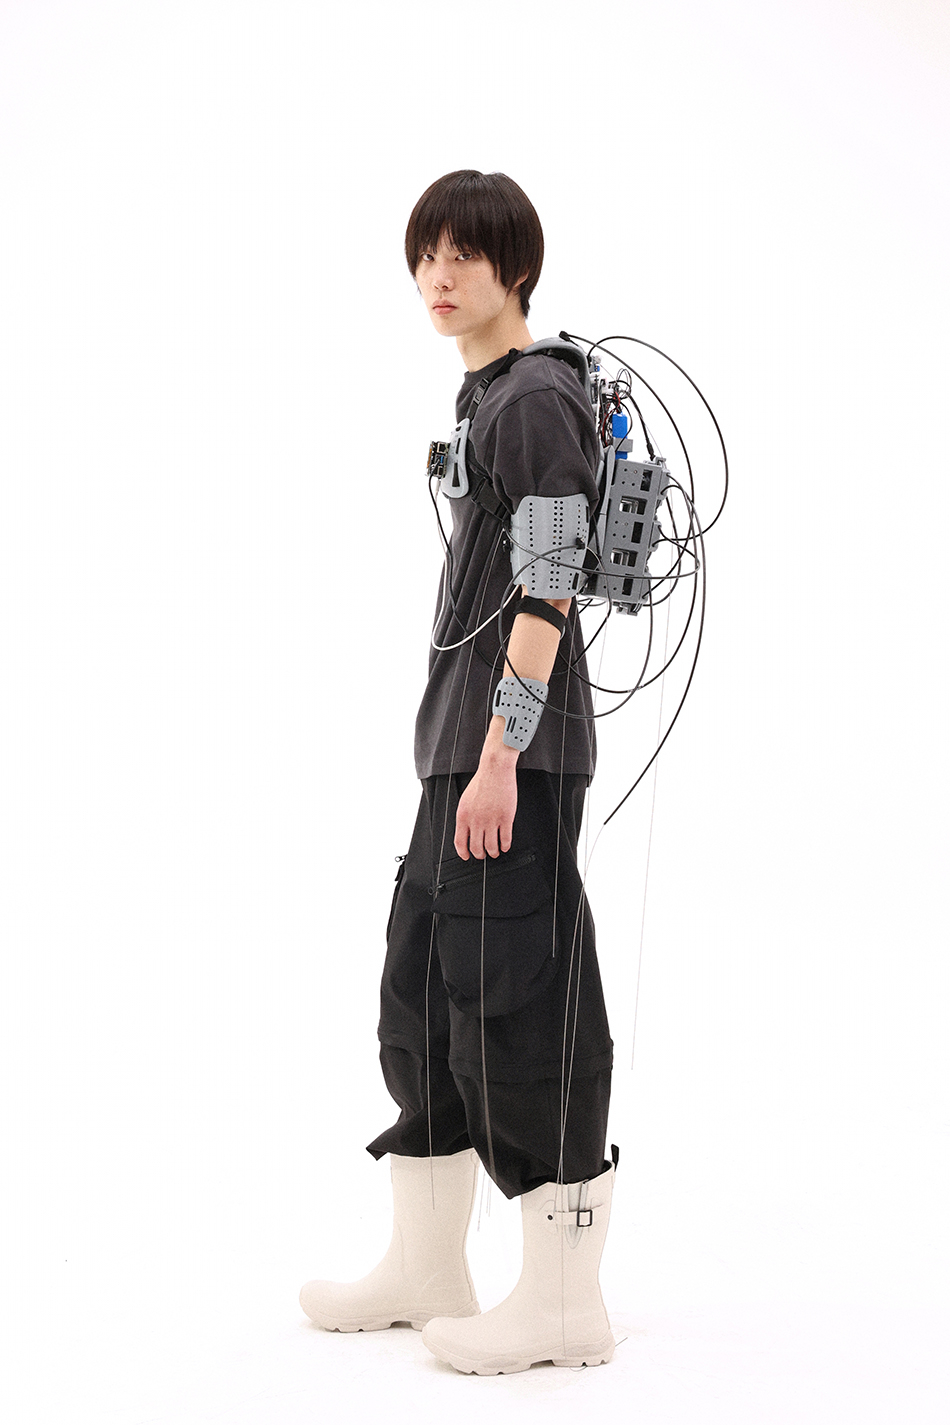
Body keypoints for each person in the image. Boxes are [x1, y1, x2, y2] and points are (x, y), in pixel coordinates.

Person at [300, 170, 617, 1375]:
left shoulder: (533, 397)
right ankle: (427, 1267)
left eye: (464, 255)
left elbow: (553, 579)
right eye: (425, 253)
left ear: (515, 269)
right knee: (421, 1001)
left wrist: (501, 753)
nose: (439, 275)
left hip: (506, 763)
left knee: (516, 1011)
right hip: (459, 757)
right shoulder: (486, 394)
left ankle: (562, 1304)